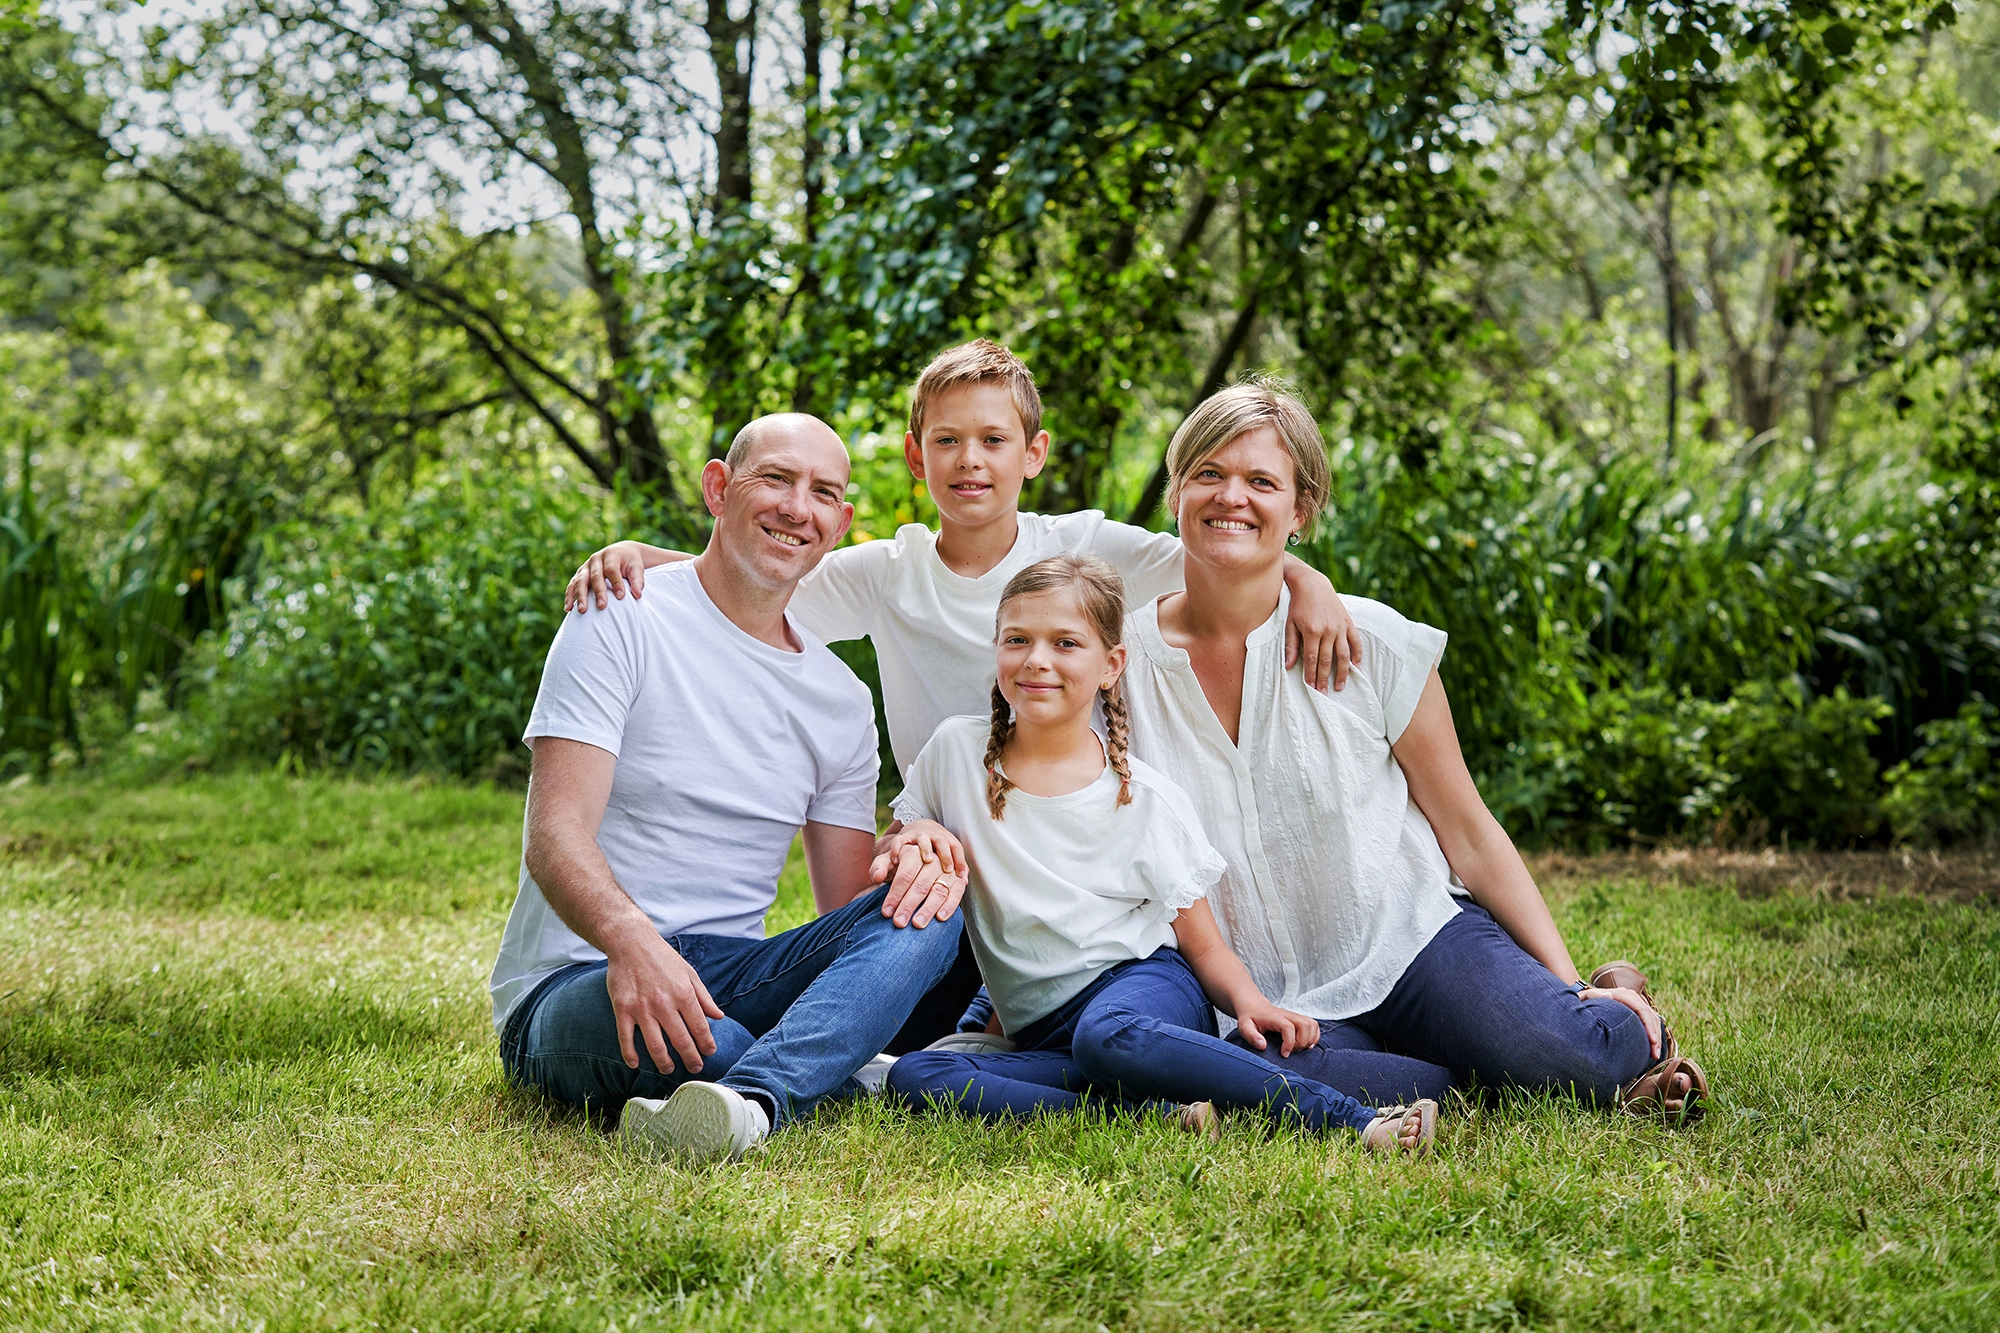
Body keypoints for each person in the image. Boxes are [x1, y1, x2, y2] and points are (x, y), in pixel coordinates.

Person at [1117, 379, 1709, 1123]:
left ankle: (1614, 1009)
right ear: (1177, 489)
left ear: (1300, 511)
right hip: (1271, 992)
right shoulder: (1119, 666)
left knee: (1573, 1057)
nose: (1230, 496)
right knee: (1248, 1075)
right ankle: (1460, 1067)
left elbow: (1467, 829)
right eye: (1208, 473)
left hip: (1413, 943)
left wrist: (1566, 984)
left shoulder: (1375, 645)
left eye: (1261, 481)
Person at [490, 413, 970, 1166]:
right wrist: (633, 941)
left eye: (822, 493)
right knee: (716, 1039)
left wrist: (911, 848)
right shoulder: (621, 613)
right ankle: (821, 1073)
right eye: (775, 479)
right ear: (719, 487)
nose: (796, 507)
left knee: (931, 908)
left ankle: (749, 1100)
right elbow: (554, 836)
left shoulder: (839, 698)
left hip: (727, 975)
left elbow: (847, 901)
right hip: (577, 980)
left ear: (840, 523)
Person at [560, 340, 1363, 785]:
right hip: (943, 828)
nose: (969, 461)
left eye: (993, 441)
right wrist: (644, 556)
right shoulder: (885, 572)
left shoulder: (1084, 548)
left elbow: (1220, 556)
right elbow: (745, 584)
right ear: (917, 456)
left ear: (1034, 453)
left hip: (1068, 821)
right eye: (947, 441)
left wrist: (1307, 578)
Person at [882, 555, 1444, 1154]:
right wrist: (912, 838)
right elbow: (898, 842)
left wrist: (1251, 1003)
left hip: (1146, 991)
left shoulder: (1140, 798)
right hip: (1046, 1035)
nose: (1037, 660)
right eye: (1017, 640)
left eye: (1066, 643)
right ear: (996, 649)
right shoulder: (954, 754)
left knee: (1107, 1035)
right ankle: (1150, 1114)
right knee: (916, 1076)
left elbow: (1202, 944)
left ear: (1110, 665)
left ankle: (1354, 1122)